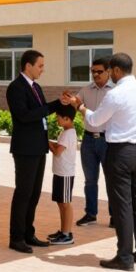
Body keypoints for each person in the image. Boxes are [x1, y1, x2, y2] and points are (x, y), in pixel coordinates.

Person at [63, 52, 136, 271]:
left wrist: (81, 107)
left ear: (116, 71)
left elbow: (94, 120)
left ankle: (124, 257)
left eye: (109, 70)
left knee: (123, 205)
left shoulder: (115, 94)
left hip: (121, 151)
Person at [5, 49, 64, 253]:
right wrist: (54, 105)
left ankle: (29, 233)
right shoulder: (16, 88)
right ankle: (16, 237)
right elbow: (24, 116)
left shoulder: (36, 87)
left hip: (39, 147)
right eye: (40, 66)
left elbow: (42, 114)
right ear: (28, 66)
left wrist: (60, 104)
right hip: (25, 148)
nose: (42, 69)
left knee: (35, 193)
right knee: (23, 192)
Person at [76, 57, 114, 227]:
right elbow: (75, 104)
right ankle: (90, 214)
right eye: (93, 71)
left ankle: (115, 216)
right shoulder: (85, 90)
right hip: (89, 140)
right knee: (90, 180)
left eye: (99, 71)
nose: (96, 75)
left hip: (108, 141)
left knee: (112, 180)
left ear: (108, 72)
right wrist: (68, 101)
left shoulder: (115, 92)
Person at [47, 104, 79, 245]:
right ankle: (63, 231)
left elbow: (57, 151)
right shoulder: (65, 132)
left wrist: (46, 141)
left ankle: (67, 234)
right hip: (60, 172)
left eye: (58, 118)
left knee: (65, 204)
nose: (56, 120)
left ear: (67, 118)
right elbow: (59, 147)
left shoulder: (68, 134)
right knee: (61, 203)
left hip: (65, 173)